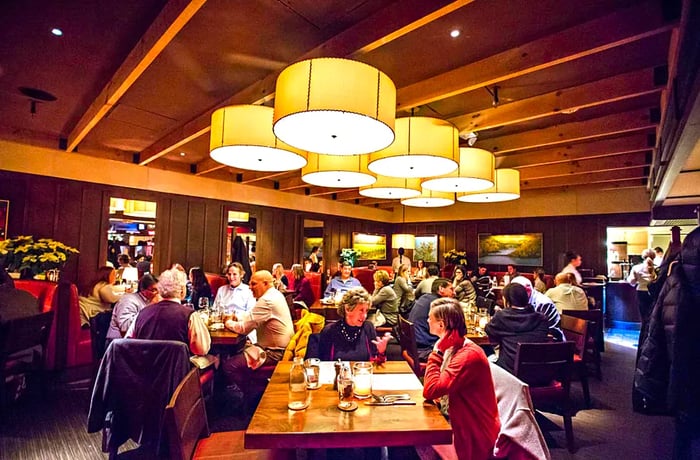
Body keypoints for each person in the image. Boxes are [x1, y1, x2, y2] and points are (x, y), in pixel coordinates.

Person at [423, 298, 500, 460]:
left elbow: (430, 390)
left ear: (441, 325)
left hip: (472, 432)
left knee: (413, 442)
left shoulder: (467, 355)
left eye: (430, 317)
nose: (427, 320)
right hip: (458, 418)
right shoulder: (453, 346)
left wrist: (436, 353)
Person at [222, 270, 294, 395]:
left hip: (274, 353)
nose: (250, 287)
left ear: (265, 284)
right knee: (240, 352)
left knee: (229, 366)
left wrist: (227, 322)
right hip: (278, 348)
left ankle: (254, 395)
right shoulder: (275, 294)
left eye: (253, 284)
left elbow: (244, 329)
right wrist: (236, 317)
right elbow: (251, 317)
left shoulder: (267, 300)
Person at [126, 268, 211, 355]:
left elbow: (127, 344)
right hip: (179, 368)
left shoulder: (141, 314)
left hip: (144, 367)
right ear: (182, 291)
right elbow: (201, 350)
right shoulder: (190, 316)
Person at [485, 283, 550, 374]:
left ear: (507, 300)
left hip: (511, 375)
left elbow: (488, 330)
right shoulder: (542, 319)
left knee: (485, 357)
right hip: (540, 374)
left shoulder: (502, 316)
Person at [317, 287, 392, 361]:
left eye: (366, 311)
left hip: (362, 372)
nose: (365, 316)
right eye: (361, 310)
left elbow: (376, 362)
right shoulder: (329, 331)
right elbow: (323, 364)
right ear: (348, 309)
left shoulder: (368, 327)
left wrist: (381, 352)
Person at [408, 278, 454, 360]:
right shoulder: (438, 304)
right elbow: (449, 328)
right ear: (441, 289)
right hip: (424, 349)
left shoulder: (424, 297)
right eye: (451, 289)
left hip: (413, 345)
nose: (454, 292)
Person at [510, 276, 563, 341]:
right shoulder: (521, 301)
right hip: (528, 343)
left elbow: (553, 334)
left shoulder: (543, 303)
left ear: (528, 290)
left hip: (550, 345)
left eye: (515, 293)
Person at [106, 274, 158, 340]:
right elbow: (124, 327)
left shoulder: (148, 301)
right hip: (118, 342)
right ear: (142, 290)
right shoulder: (128, 300)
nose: (157, 293)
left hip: (138, 340)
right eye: (153, 290)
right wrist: (150, 307)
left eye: (159, 290)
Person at [627, 248, 657, 351]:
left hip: (641, 293)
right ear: (654, 256)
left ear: (642, 256)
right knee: (653, 317)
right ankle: (652, 340)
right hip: (654, 294)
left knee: (644, 319)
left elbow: (631, 282)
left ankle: (643, 341)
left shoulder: (637, 267)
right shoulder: (658, 268)